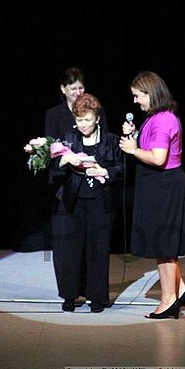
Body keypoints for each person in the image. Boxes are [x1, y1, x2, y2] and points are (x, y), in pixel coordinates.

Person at [119, 71, 185, 319]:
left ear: (151, 93)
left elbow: (158, 158)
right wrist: (135, 136)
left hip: (164, 187)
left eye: (138, 96)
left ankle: (169, 300)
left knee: (164, 246)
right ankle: (180, 290)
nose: (135, 101)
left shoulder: (163, 120)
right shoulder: (156, 117)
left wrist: (133, 149)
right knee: (165, 246)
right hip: (159, 186)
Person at [51, 93, 123, 313]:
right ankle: (70, 296)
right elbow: (53, 164)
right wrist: (65, 159)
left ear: (97, 118)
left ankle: (97, 297)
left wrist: (105, 171)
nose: (83, 125)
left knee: (97, 250)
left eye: (87, 120)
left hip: (100, 202)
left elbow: (121, 169)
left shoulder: (110, 140)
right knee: (70, 250)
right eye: (79, 120)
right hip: (73, 202)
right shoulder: (68, 139)